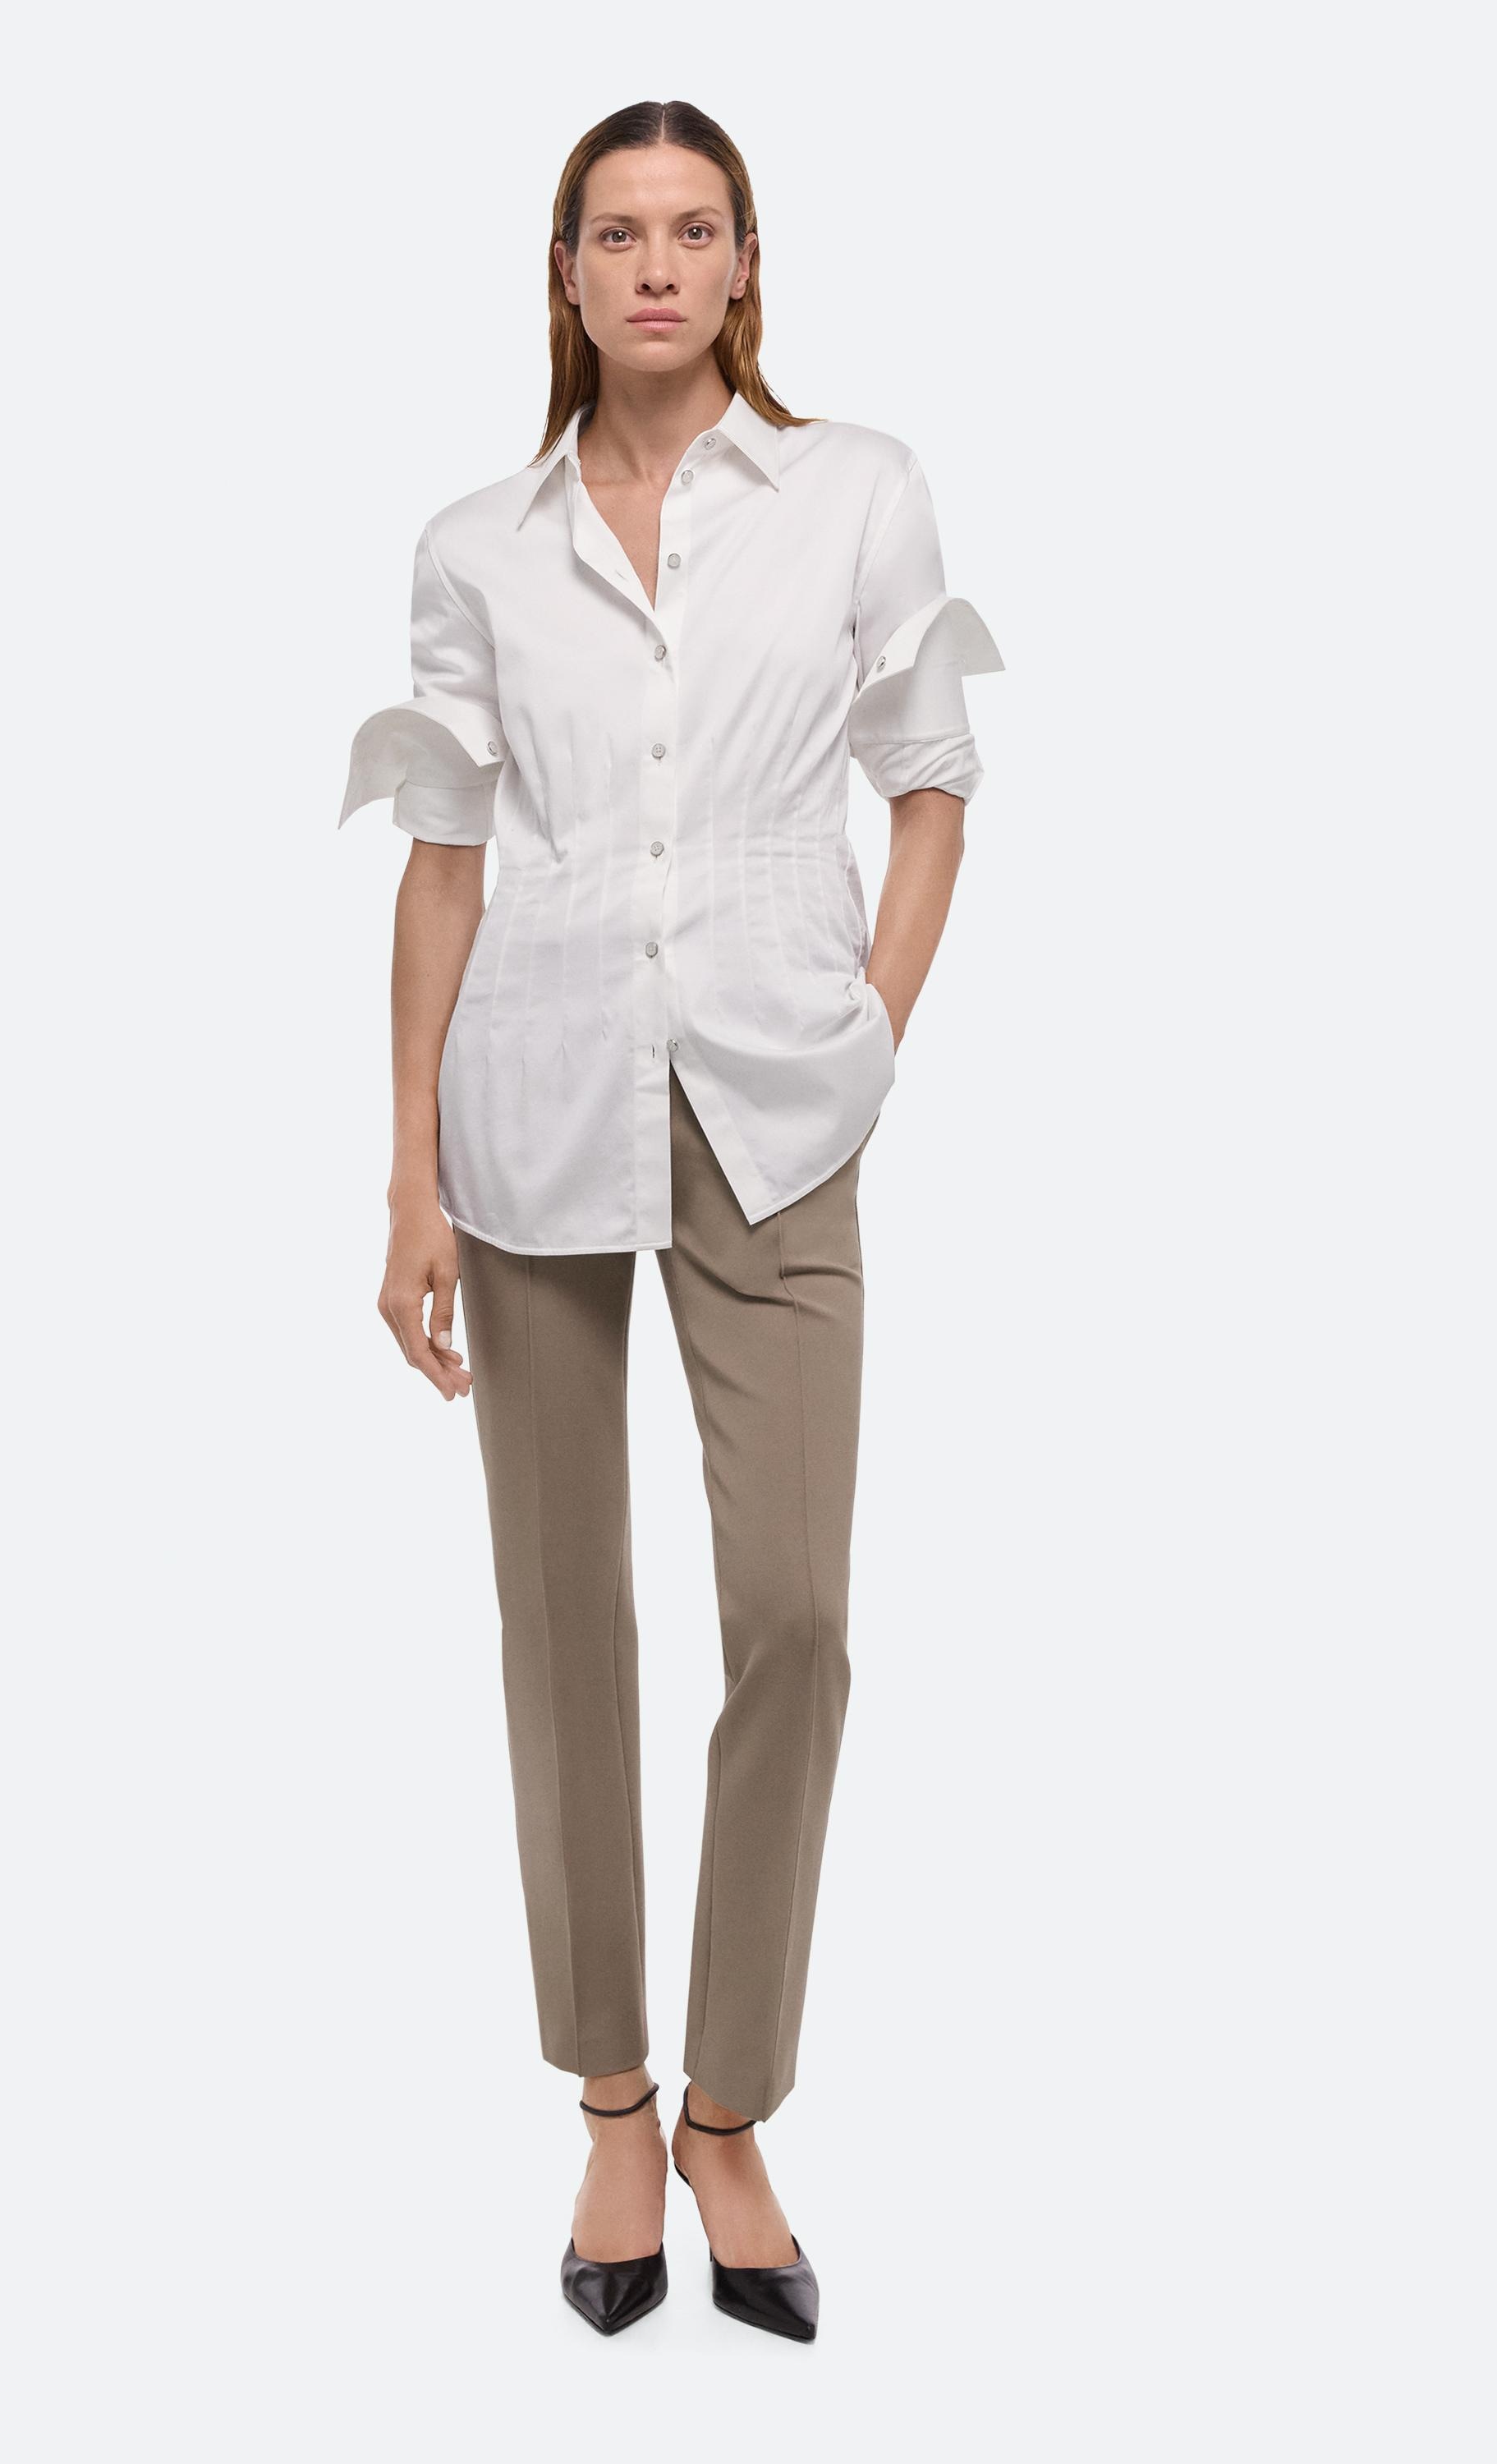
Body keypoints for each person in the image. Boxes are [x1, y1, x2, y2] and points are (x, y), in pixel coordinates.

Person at [338, 99, 1000, 2342]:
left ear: (742, 268)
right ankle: (613, 2098)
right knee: (561, 1622)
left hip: (777, 1107)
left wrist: (868, 1029)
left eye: (692, 229)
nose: (653, 266)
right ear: (564, 271)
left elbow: (934, 789)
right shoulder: (476, 547)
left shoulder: (856, 495)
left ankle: (735, 2106)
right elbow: (443, 864)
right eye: (614, 232)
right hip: (527, 1098)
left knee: (794, 1613)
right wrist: (409, 1169)